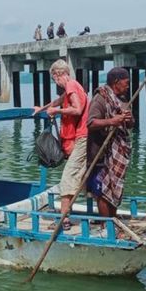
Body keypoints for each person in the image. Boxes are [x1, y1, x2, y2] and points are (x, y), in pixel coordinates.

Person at [33, 59, 88, 230]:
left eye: (54, 78)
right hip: (82, 138)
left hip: (82, 138)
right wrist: (42, 109)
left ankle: (64, 220)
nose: (55, 82)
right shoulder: (73, 87)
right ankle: (94, 214)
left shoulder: (71, 85)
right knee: (81, 178)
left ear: (58, 75)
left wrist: (56, 112)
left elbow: (77, 109)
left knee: (68, 178)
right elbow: (58, 101)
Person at [87, 67, 133, 218]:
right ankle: (106, 226)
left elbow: (130, 124)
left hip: (118, 153)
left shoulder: (124, 100)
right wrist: (113, 121)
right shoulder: (100, 98)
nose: (128, 86)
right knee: (103, 192)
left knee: (115, 190)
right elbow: (91, 123)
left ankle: (113, 222)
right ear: (116, 82)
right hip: (102, 153)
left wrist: (128, 119)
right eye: (126, 83)